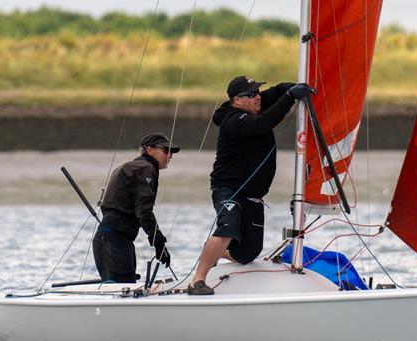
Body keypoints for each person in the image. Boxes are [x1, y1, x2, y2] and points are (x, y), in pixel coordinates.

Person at [188, 76, 311, 295]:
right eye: (252, 94)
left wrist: (290, 87)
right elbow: (263, 124)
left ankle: (214, 250)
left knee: (248, 252)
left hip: (253, 195)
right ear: (237, 99)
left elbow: (277, 90)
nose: (258, 97)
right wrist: (290, 98)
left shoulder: (255, 102)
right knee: (229, 225)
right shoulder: (233, 120)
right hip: (229, 189)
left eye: (257, 92)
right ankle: (197, 280)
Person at [92, 133, 180, 283]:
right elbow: (144, 212)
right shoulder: (145, 168)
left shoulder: (130, 167)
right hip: (114, 242)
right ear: (149, 150)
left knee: (120, 289)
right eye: (166, 150)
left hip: (109, 239)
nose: (170, 155)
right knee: (122, 291)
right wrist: (159, 242)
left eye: (171, 151)